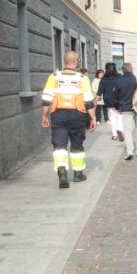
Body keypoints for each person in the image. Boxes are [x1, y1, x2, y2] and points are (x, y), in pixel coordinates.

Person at [40, 51, 96, 188]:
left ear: (65, 62)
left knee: (59, 145)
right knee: (77, 144)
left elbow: (46, 98)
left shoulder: (54, 77)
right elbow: (88, 101)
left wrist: (44, 116)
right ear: (77, 62)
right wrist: (93, 118)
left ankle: (62, 173)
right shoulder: (82, 78)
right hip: (77, 115)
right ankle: (78, 175)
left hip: (58, 114)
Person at [115, 63, 137, 160]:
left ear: (123, 70)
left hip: (125, 108)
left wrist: (118, 106)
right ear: (131, 69)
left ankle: (129, 151)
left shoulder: (119, 80)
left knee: (128, 130)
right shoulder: (134, 79)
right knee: (135, 128)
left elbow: (116, 94)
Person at [95, 63, 123, 141]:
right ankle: (120, 129)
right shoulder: (119, 77)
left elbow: (99, 93)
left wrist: (94, 103)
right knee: (119, 116)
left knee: (112, 118)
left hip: (108, 101)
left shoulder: (103, 80)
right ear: (115, 69)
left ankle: (114, 135)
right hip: (119, 100)